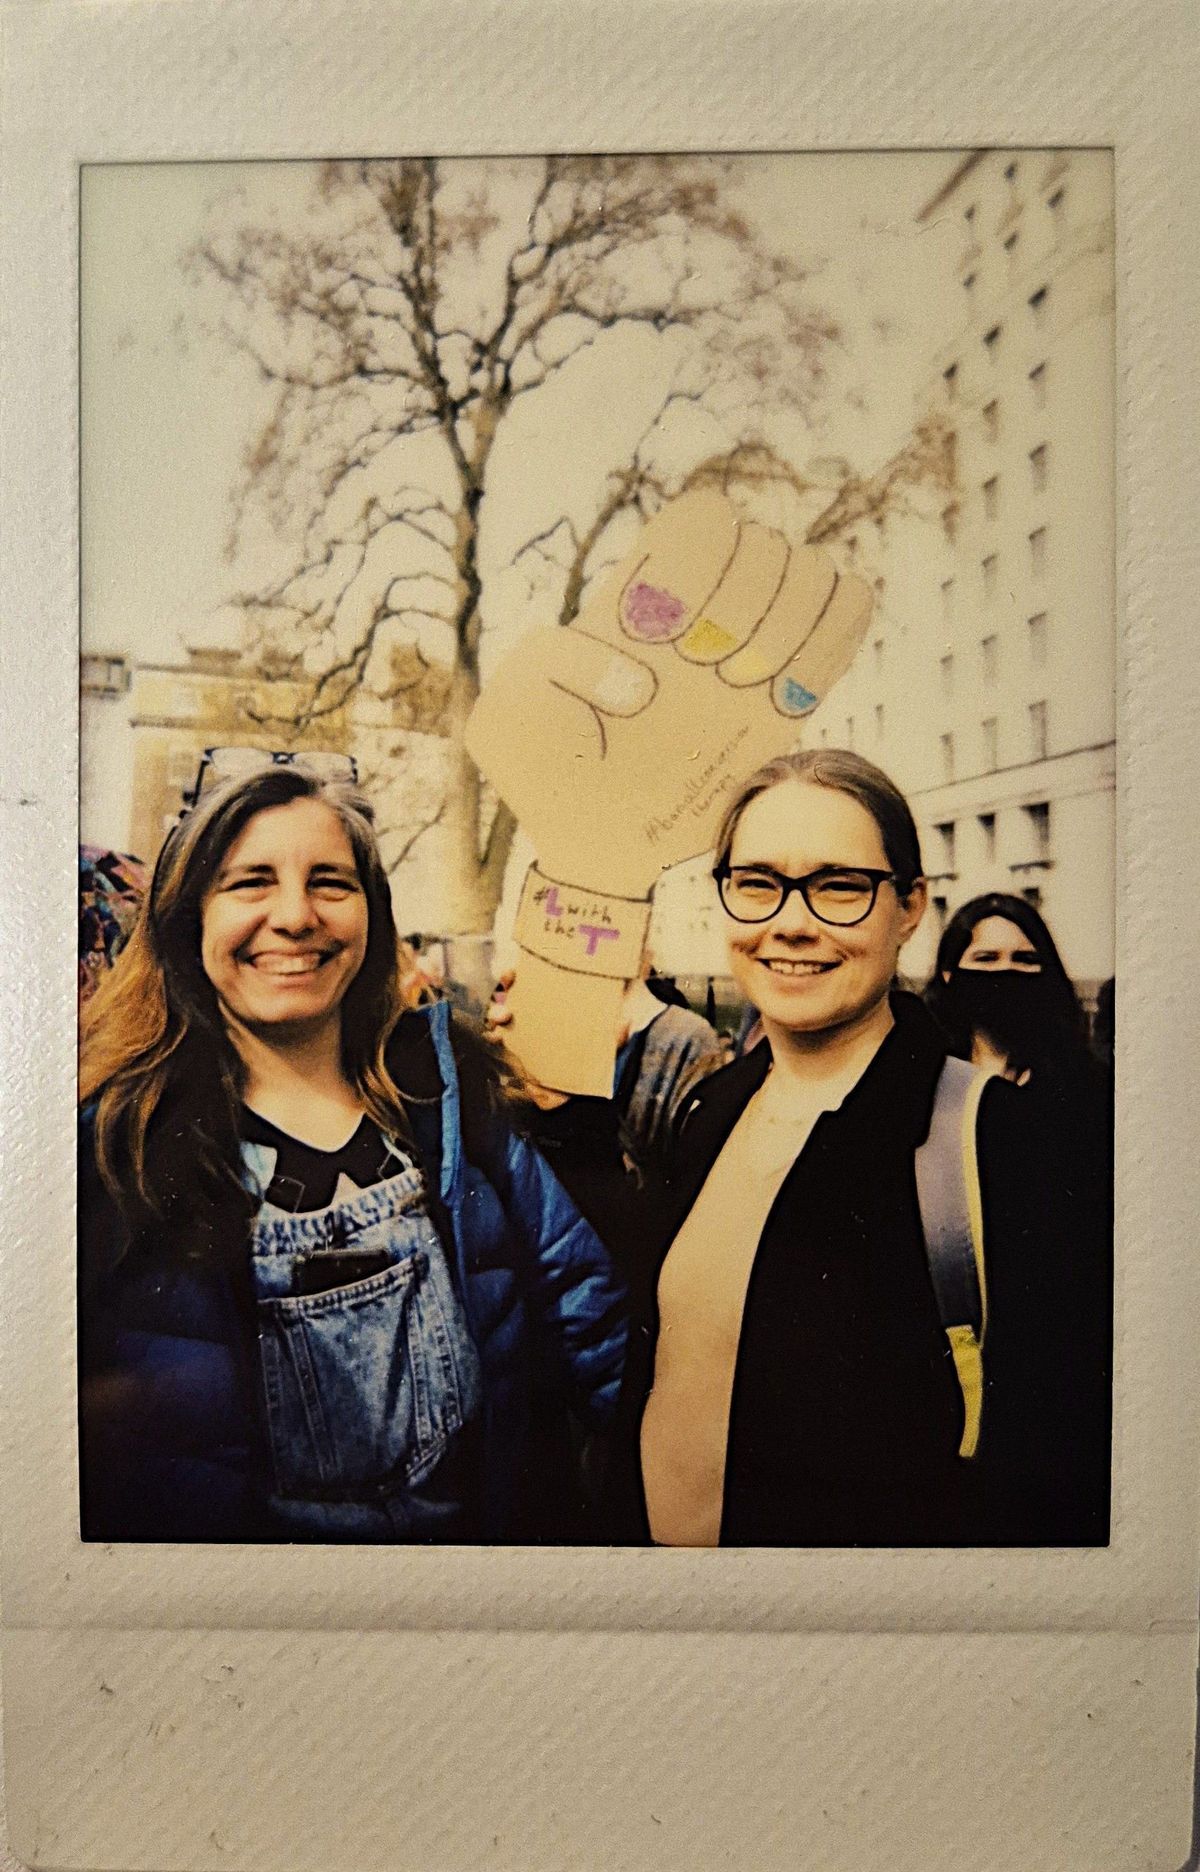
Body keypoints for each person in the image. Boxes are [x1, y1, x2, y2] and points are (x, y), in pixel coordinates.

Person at [78, 752, 627, 1544]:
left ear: (372, 913)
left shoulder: (451, 1095)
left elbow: (592, 1323)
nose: (296, 915)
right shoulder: (116, 1152)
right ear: (188, 914)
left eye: (330, 881)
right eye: (250, 881)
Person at [605, 748, 1111, 1548]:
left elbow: (1060, 1481)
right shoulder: (711, 1109)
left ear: (910, 907)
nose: (791, 921)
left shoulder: (1002, 1147)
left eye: (839, 885)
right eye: (758, 882)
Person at [923, 892, 1095, 1088]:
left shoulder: (1084, 1082)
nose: (1006, 969)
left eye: (1024, 959)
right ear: (948, 974)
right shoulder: (924, 1075)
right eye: (987, 958)